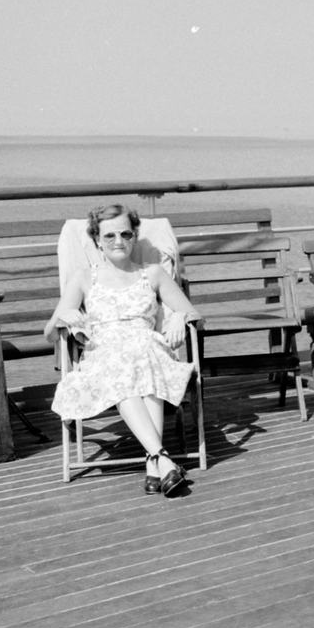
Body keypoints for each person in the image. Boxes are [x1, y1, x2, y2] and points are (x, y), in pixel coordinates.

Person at [47, 204, 200, 496]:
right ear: (97, 240)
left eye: (125, 234)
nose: (118, 241)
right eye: (109, 236)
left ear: (134, 236)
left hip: (148, 352)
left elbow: (195, 315)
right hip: (105, 359)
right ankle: (160, 459)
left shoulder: (152, 273)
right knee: (125, 364)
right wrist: (62, 317)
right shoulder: (83, 277)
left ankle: (156, 463)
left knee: (142, 354)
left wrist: (179, 316)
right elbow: (49, 334)